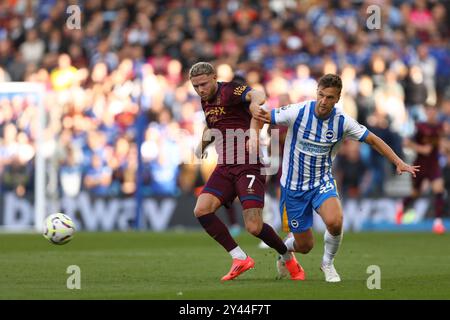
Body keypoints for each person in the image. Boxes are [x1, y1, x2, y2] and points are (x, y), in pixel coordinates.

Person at [254, 74, 419, 282]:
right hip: (293, 188)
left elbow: (373, 140)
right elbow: (264, 116)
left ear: (338, 98)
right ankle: (285, 249)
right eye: (321, 95)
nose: (324, 101)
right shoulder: (298, 112)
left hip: (321, 182)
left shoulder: (342, 122)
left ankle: (328, 264)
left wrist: (398, 162)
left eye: (330, 97)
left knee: (335, 221)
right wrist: (249, 110)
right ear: (316, 93)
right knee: (305, 246)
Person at [189, 62, 304, 281]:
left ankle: (287, 256)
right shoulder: (205, 99)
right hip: (225, 166)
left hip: (248, 164)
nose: (200, 90)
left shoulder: (230, 90)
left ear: (214, 77)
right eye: (195, 86)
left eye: (203, 84)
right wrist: (202, 146)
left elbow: (259, 95)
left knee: (253, 226)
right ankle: (239, 257)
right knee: (201, 210)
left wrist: (252, 130)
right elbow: (212, 125)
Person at [397, 104, 446, 234]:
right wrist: (421, 149)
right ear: (426, 112)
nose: (431, 114)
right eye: (429, 111)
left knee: (438, 189)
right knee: (416, 193)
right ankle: (402, 206)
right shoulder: (420, 127)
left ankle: (438, 222)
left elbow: (441, 142)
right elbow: (406, 142)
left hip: (434, 165)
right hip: (420, 165)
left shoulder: (440, 127)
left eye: (433, 111)